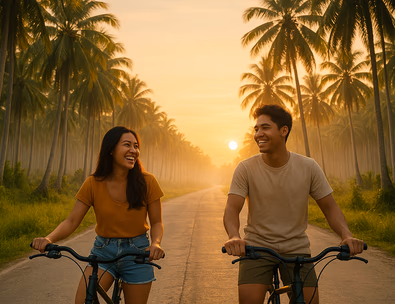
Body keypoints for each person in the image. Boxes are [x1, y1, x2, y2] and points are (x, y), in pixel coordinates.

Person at [223, 105, 365, 304]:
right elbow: (232, 208)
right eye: (256, 129)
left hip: (296, 249)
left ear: (284, 130)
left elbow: (330, 207)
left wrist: (347, 235)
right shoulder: (245, 168)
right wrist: (234, 237)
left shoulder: (308, 167)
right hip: (257, 248)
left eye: (265, 127)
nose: (258, 134)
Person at [32, 126, 165, 304]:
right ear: (111, 150)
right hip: (103, 251)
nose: (133, 150)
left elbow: (156, 222)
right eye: (127, 145)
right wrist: (48, 239)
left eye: (136, 146)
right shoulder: (93, 183)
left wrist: (155, 244)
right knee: (82, 301)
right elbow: (71, 221)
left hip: (138, 253)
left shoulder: (148, 181)